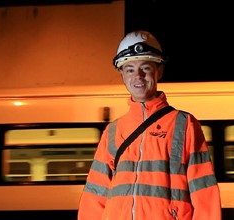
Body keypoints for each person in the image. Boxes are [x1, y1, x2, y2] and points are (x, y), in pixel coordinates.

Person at [77, 30, 221, 220]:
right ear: (122, 74)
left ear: (159, 71)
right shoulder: (113, 130)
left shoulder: (184, 124)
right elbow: (95, 193)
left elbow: (204, 190)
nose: (137, 76)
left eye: (145, 68)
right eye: (129, 69)